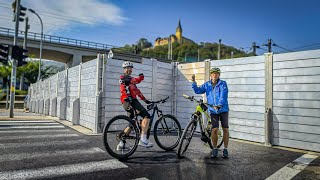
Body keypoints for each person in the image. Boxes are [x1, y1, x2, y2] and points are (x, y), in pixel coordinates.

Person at [191, 67, 230, 158]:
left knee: (225, 129)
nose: (214, 75)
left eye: (216, 73)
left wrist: (219, 104)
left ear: (219, 75)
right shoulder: (207, 85)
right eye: (213, 73)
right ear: (211, 75)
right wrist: (193, 82)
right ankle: (215, 148)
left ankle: (225, 149)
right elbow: (198, 90)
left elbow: (223, 95)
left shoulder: (223, 84)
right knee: (214, 129)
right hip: (213, 110)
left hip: (223, 109)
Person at [117, 61, 153, 150]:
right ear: (124, 70)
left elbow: (138, 92)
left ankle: (121, 144)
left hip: (130, 101)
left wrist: (146, 100)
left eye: (130, 68)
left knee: (131, 123)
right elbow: (136, 80)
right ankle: (143, 139)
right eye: (127, 68)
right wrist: (141, 78)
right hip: (129, 101)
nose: (129, 69)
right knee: (146, 116)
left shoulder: (131, 83)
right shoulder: (124, 78)